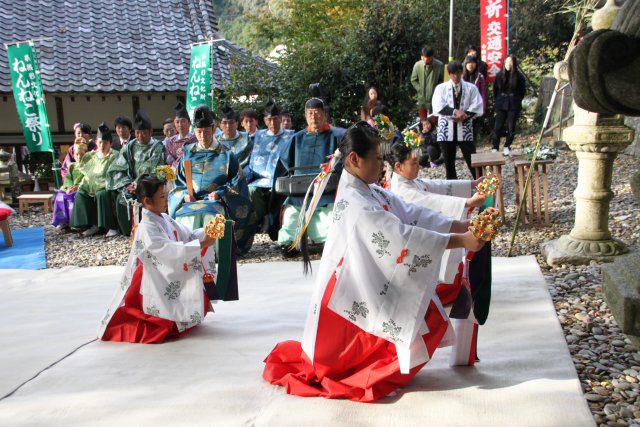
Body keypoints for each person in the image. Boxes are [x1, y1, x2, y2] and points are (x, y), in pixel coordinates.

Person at [263, 124, 486, 402]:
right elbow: (401, 236)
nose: (384, 165)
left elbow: (410, 212)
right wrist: (461, 238)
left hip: (361, 278)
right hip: (351, 291)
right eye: (379, 159)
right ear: (355, 159)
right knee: (417, 322)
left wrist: (460, 225)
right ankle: (374, 375)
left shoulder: (363, 187)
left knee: (426, 316)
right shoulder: (358, 200)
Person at [387, 142, 493, 365]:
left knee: (459, 287)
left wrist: (470, 184)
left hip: (431, 243)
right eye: (413, 163)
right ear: (398, 166)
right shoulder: (400, 188)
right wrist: (466, 202)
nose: (418, 167)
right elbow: (429, 201)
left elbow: (433, 186)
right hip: (417, 249)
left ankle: (462, 350)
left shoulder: (409, 180)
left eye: (418, 162)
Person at [98, 173, 218, 343]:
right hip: (152, 276)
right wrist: (200, 245)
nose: (167, 200)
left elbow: (187, 236)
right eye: (162, 196)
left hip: (164, 271)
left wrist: (209, 230)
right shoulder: (146, 227)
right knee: (157, 322)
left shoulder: (165, 218)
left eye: (166, 195)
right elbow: (165, 251)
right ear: (147, 201)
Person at [169, 104, 257, 256]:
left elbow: (238, 183)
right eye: (199, 132)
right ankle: (187, 253)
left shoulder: (226, 155)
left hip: (217, 201)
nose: (203, 136)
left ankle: (215, 253)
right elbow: (178, 182)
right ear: (194, 131)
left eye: (206, 131)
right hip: (191, 200)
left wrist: (221, 193)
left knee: (212, 215)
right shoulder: (187, 153)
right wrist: (184, 194)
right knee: (186, 217)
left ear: (213, 128)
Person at [275, 97, 344, 254]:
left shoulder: (337, 136)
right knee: (291, 214)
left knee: (327, 216)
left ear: (325, 114)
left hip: (326, 192)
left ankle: (327, 242)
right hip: (298, 192)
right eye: (310, 113)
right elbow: (284, 165)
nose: (313, 117)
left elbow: (344, 163)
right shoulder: (296, 138)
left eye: (317, 113)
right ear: (306, 116)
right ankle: (289, 244)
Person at [106, 110, 165, 237]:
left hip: (150, 184)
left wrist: (138, 185)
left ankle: (148, 231)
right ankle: (127, 231)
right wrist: (127, 184)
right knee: (121, 199)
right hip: (131, 184)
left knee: (146, 198)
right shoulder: (129, 146)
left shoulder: (157, 147)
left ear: (150, 132)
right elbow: (118, 166)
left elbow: (151, 167)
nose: (140, 136)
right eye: (137, 133)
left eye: (144, 133)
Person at [246, 99, 294, 235]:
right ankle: (263, 217)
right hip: (260, 178)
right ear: (265, 121)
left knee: (279, 189)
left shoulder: (290, 135)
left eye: (275, 119)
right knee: (251, 190)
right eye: (269, 119)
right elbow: (252, 160)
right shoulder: (258, 135)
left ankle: (275, 223)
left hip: (280, 177)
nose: (273, 123)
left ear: (280, 119)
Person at [432, 61, 484, 179]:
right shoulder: (441, 88)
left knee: (471, 157)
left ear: (462, 73)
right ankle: (452, 187)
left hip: (464, 127)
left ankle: (482, 183)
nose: (456, 77)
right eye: (453, 74)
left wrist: (464, 115)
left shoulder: (471, 88)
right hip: (446, 129)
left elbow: (477, 105)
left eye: (458, 73)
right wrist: (455, 112)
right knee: (449, 162)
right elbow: (438, 106)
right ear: (449, 74)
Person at [70, 123, 120, 237]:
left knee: (101, 194)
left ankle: (110, 226)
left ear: (111, 143)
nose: (102, 145)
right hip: (90, 186)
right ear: (96, 142)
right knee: (80, 194)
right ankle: (90, 225)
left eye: (105, 143)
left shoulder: (115, 155)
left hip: (108, 186)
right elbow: (82, 167)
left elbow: (115, 174)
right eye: (100, 142)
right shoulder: (92, 155)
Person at [492, 55, 526, 156]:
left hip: (513, 103)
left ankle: (507, 145)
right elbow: (495, 90)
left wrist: (517, 99)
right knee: (498, 126)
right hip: (501, 102)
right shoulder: (499, 75)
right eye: (507, 63)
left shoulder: (519, 76)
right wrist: (498, 100)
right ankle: (495, 146)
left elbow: (522, 91)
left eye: (511, 63)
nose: (509, 65)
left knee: (511, 127)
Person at [52, 138, 87, 230]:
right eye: (77, 154)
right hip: (71, 187)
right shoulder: (71, 165)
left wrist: (77, 187)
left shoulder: (88, 165)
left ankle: (76, 223)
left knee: (75, 196)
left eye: (82, 154)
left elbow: (88, 179)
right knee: (60, 194)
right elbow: (68, 179)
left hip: (82, 188)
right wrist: (67, 187)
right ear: (73, 155)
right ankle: (63, 221)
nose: (79, 157)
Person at [410, 46, 445, 119]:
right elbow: (413, 80)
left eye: (427, 58)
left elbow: (442, 81)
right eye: (423, 57)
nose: (425, 60)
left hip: (435, 98)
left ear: (432, 57)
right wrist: (420, 89)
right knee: (423, 121)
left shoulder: (440, 65)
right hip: (421, 98)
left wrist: (436, 90)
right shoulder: (417, 65)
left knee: (434, 121)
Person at [217, 105, 253, 171]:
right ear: (220, 125)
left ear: (236, 124)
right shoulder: (215, 140)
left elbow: (251, 159)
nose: (228, 126)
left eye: (231, 122)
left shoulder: (246, 138)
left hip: (242, 171)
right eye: (224, 123)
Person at [164, 102, 197, 168]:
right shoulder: (170, 141)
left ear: (189, 122)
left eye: (183, 121)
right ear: (174, 123)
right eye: (177, 122)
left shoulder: (195, 138)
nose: (180, 124)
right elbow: (168, 157)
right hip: (175, 173)